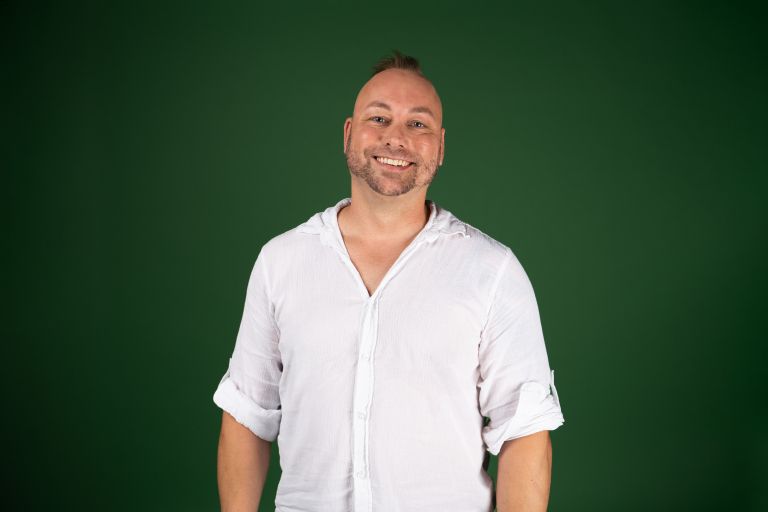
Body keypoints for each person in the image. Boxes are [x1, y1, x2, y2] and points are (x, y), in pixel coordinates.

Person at [213, 50, 565, 512]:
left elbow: (524, 432)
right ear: (348, 134)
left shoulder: (492, 271)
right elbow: (246, 414)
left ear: (440, 147)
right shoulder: (280, 262)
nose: (396, 137)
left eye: (418, 124)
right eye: (379, 118)